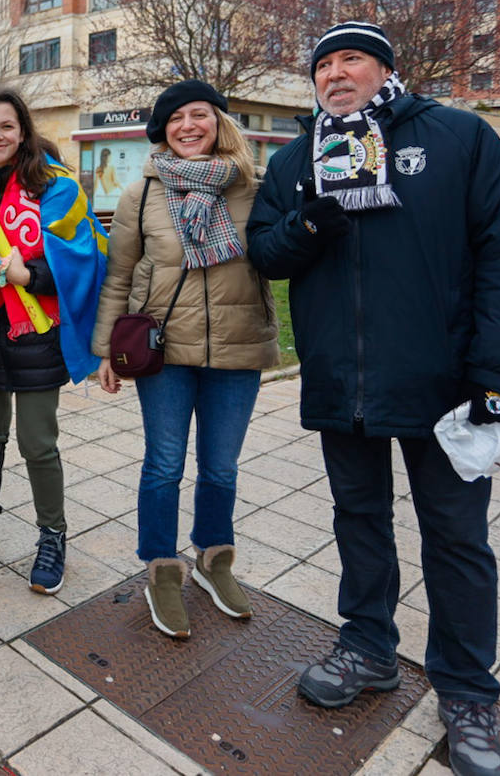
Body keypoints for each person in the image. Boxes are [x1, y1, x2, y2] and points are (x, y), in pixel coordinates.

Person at [247, 21, 500, 776]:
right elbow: (267, 253)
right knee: (359, 520)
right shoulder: (296, 159)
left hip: (443, 388)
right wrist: (311, 215)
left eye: (352, 60)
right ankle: (368, 648)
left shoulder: (456, 139)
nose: (336, 74)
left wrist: (499, 377)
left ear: (385, 70)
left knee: (456, 538)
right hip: (343, 385)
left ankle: (468, 693)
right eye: (324, 66)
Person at [91, 79, 279, 639]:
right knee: (165, 465)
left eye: (199, 114)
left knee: (221, 467)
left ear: (220, 122)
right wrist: (106, 349)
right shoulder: (140, 194)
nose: (188, 126)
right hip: (165, 352)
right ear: (162, 131)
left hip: (237, 346)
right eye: (175, 119)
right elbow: (119, 275)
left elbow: (280, 256)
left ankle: (214, 559)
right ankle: (162, 569)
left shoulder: (254, 190)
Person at [0, 88, 107, 596]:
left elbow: (83, 255)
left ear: (23, 129)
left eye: (5, 126)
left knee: (37, 442)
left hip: (37, 331)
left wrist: (29, 274)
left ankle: (53, 534)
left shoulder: (55, 185)